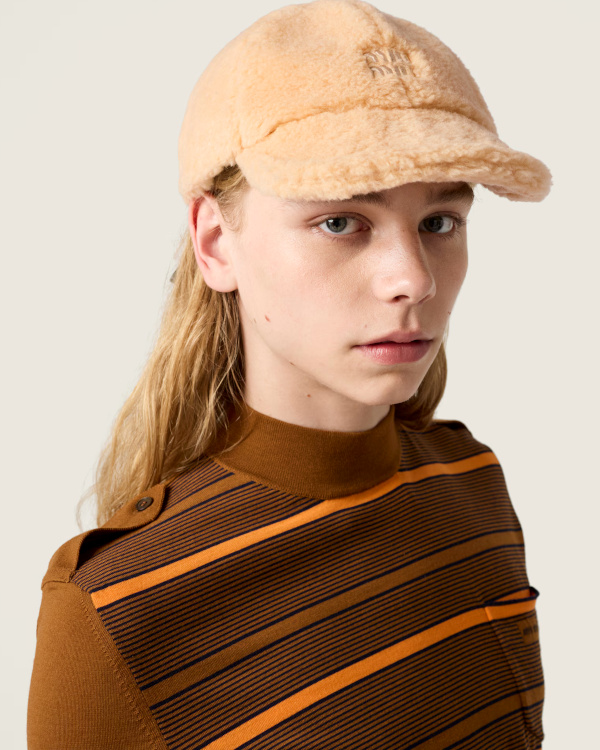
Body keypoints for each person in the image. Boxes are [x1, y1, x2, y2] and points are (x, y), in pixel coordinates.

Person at [26, 0, 552, 747]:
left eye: (440, 222)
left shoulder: (472, 482)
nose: (414, 279)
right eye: (340, 221)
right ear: (216, 244)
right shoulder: (114, 611)